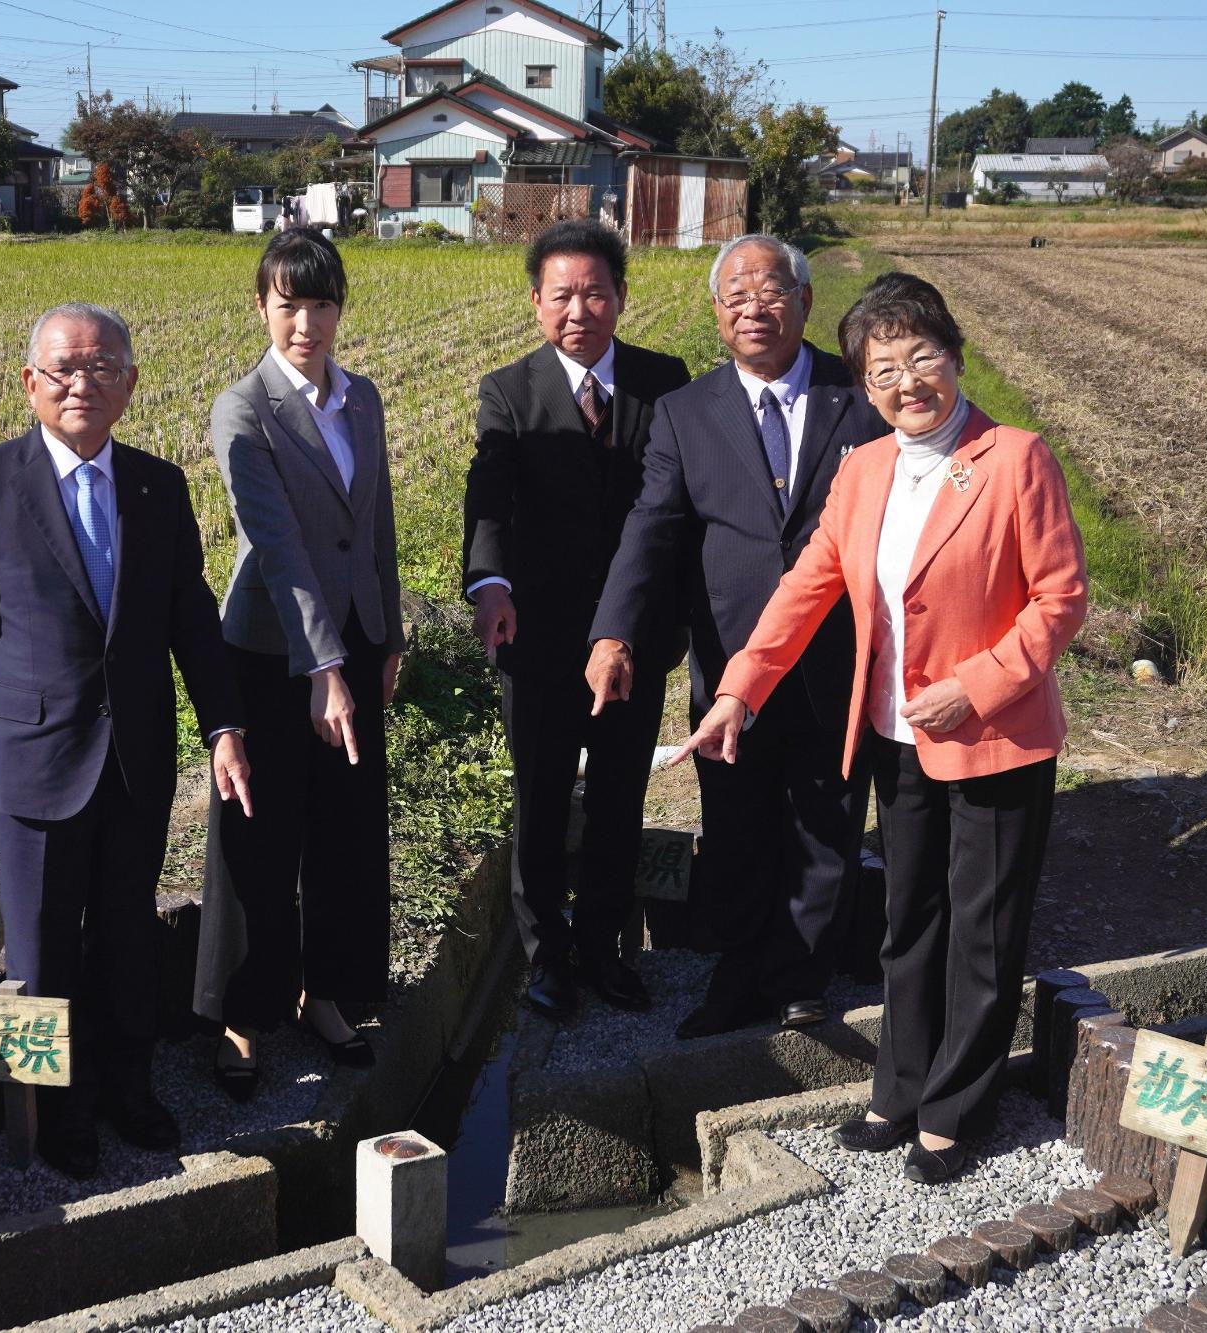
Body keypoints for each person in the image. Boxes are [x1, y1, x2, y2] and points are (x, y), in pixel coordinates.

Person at [674, 272, 1087, 1184]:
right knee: (908, 919)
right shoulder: (866, 469)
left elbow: (1060, 601)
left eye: (922, 358)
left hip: (995, 735)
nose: (908, 382)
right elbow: (806, 588)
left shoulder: (1016, 458)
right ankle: (898, 1086)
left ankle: (958, 1104)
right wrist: (739, 688)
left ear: (956, 356)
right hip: (895, 735)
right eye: (883, 368)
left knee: (982, 925)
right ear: (864, 384)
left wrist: (977, 686)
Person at [0, 301, 254, 1178]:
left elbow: (193, 617)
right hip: (29, 759)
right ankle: (47, 1114)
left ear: (131, 384)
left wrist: (223, 723)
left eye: (103, 367)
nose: (83, 382)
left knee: (126, 932)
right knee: (37, 947)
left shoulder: (158, 486)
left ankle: (129, 1088)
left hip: (136, 757)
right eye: (64, 368)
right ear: (31, 382)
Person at [587, 234, 887, 1038]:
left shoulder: (857, 396)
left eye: (772, 291)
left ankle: (801, 977)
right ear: (717, 315)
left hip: (838, 647)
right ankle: (738, 972)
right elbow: (651, 525)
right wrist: (614, 631)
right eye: (738, 297)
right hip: (731, 659)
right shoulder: (688, 413)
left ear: (805, 302)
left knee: (826, 816)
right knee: (736, 816)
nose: (756, 308)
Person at [194, 227, 406, 1100]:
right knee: (258, 831)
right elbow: (275, 546)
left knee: (346, 826)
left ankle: (327, 993)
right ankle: (245, 1016)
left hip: (351, 641)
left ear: (338, 309)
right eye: (289, 306)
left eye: (321, 305)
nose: (306, 324)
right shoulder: (242, 407)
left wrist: (387, 637)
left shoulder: (361, 398)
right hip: (273, 650)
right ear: (262, 307)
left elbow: (378, 521)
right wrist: (323, 668)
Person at [462, 219, 691, 1021]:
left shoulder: (666, 383)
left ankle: (603, 946)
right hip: (539, 637)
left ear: (622, 298)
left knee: (623, 793)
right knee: (541, 794)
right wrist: (489, 581)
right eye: (562, 294)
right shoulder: (510, 389)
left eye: (596, 292)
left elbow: (674, 506)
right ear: (536, 303)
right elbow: (489, 492)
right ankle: (544, 953)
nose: (579, 309)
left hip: (637, 634)